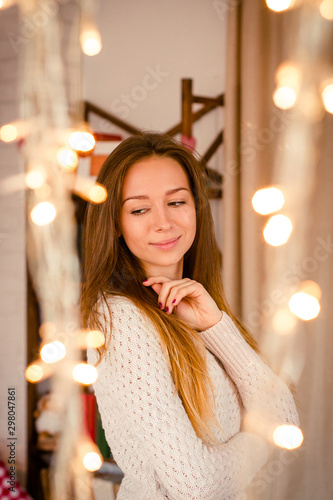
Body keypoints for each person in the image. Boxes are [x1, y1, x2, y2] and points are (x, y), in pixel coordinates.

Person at [81, 132, 299, 500]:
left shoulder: (192, 308)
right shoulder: (119, 320)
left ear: (195, 207)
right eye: (139, 209)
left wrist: (216, 326)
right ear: (116, 224)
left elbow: (285, 414)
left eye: (176, 202)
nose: (163, 222)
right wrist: (264, 433)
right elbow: (195, 486)